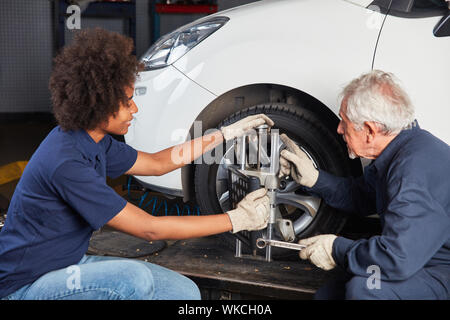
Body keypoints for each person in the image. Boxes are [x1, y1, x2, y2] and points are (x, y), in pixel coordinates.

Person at [0, 28, 274, 300]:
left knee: (183, 292)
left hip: (68, 266)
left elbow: (157, 163)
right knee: (134, 280)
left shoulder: (93, 141)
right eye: (128, 102)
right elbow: (149, 228)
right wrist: (235, 219)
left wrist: (222, 134)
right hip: (27, 285)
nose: (135, 110)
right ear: (99, 104)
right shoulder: (66, 164)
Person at [279, 70, 449, 299]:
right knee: (329, 295)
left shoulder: (409, 175)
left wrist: (336, 248)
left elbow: (397, 258)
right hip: (420, 258)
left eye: (344, 121)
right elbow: (362, 196)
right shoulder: (403, 148)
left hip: (439, 270)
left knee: (366, 288)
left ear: (369, 130)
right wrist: (314, 179)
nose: (339, 129)